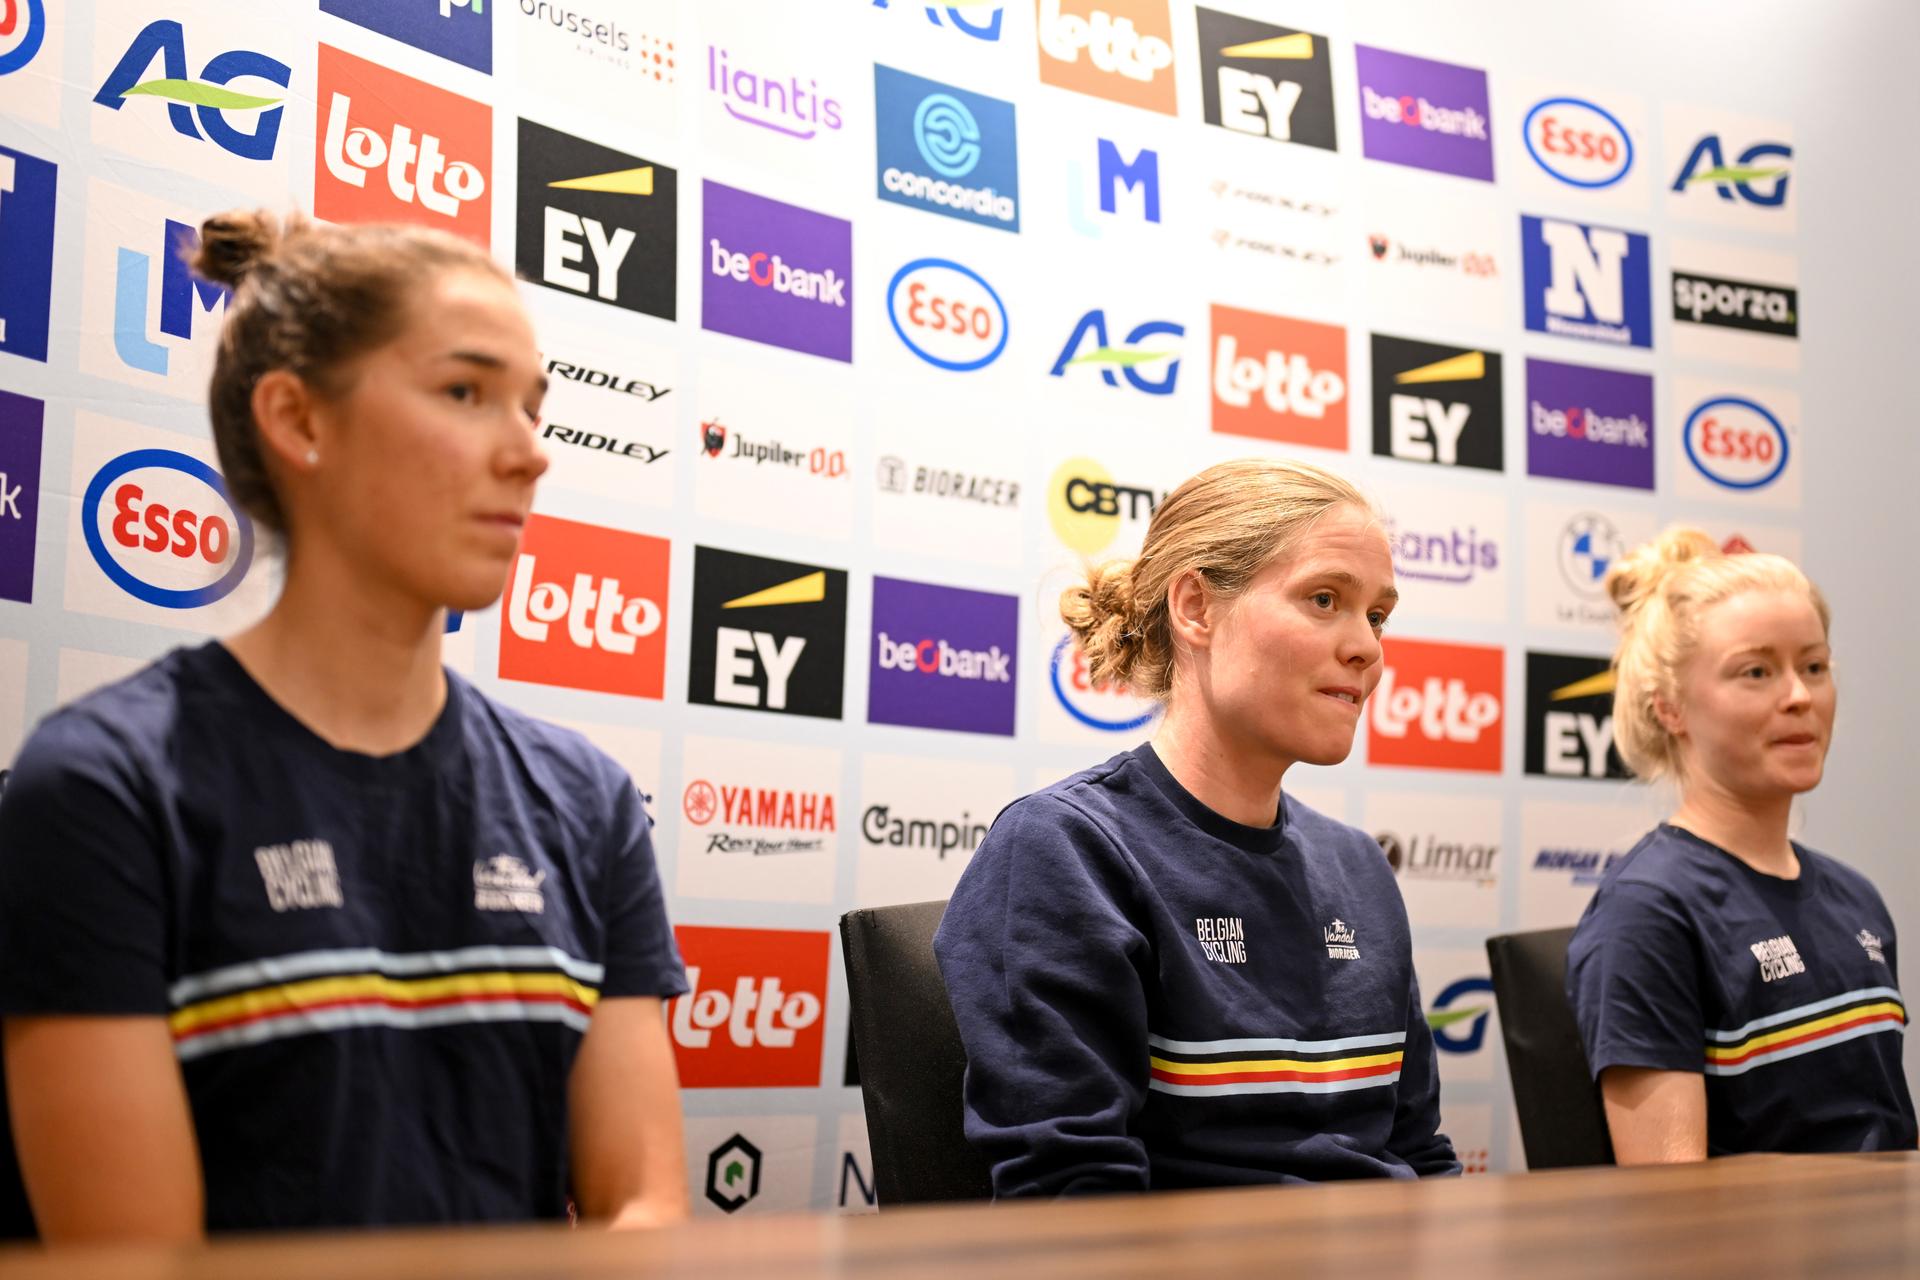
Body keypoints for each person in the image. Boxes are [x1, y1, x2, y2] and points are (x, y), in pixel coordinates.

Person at [0, 212, 690, 1241]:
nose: (530, 454)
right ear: (299, 419)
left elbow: (644, 1210)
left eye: (534, 407)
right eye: (466, 393)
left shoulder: (587, 802)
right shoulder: (104, 787)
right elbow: (136, 1262)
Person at [934, 458, 1458, 1197]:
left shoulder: (1359, 865)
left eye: (1376, 616)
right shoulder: (1067, 851)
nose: (1368, 648)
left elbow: (1419, 1156)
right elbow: (1076, 1201)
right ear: (1195, 608)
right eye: (1323, 599)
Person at [1567, 529, 1915, 1163]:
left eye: (1814, 666)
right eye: (1756, 671)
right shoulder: (1648, 912)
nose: (1800, 696)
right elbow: (1674, 1208)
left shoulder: (1856, 897)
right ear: (1669, 707)